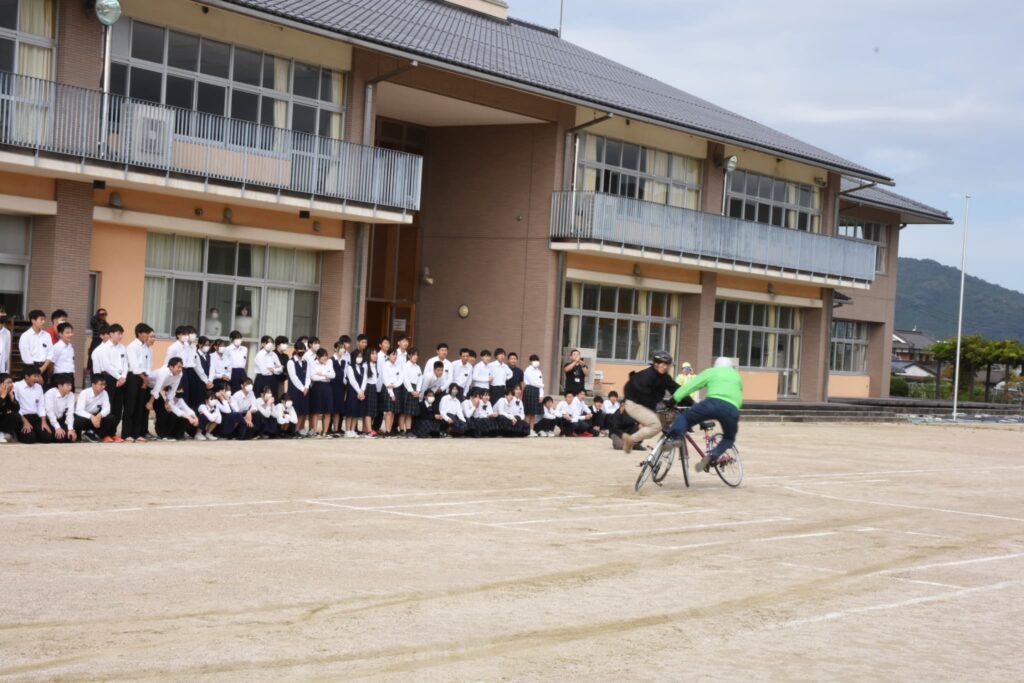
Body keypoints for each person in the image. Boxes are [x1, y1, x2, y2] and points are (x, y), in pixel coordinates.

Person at [669, 357, 743, 473]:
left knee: (684, 418)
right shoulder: (736, 376)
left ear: (716, 365)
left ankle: (677, 437)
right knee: (728, 438)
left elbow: (691, 385)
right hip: (732, 409)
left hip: (712, 403)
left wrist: (674, 399)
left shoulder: (712, 371)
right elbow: (739, 394)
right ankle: (713, 455)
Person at [620, 351, 680, 455]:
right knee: (655, 425)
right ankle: (630, 439)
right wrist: (657, 406)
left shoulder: (665, 377)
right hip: (634, 403)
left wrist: (692, 403)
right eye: (662, 364)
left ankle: (659, 450)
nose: (665, 367)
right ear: (656, 364)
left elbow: (676, 389)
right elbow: (643, 396)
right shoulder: (647, 376)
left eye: (667, 365)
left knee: (670, 417)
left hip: (647, 403)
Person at [92, 323, 128, 441]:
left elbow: (125, 364)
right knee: (108, 406)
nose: (120, 336)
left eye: (122, 334)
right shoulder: (103, 348)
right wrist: (119, 377)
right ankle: (104, 433)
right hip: (109, 378)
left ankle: (113, 432)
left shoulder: (122, 347)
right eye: (118, 334)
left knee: (118, 407)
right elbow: (107, 366)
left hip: (121, 379)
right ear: (111, 334)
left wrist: (123, 377)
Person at [124, 323, 154, 442]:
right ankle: (127, 433)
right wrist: (144, 378)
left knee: (140, 406)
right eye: (146, 333)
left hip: (144, 377)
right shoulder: (132, 346)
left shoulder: (146, 347)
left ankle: (137, 433)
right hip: (134, 377)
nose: (147, 336)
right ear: (139, 333)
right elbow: (134, 366)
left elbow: (147, 365)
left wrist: (146, 378)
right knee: (130, 406)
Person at [12, 365, 52, 444]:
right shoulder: (16, 386)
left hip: (35, 417)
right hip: (21, 417)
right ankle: (17, 433)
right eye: (35, 376)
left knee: (48, 438)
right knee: (30, 439)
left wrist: (44, 422)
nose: (37, 379)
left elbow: (41, 406)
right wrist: (25, 422)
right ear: (26, 376)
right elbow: (15, 407)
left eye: (38, 376)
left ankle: (34, 432)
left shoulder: (38, 387)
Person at [148, 358, 184, 440]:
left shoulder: (180, 374)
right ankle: (144, 433)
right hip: (146, 386)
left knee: (163, 410)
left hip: (153, 389)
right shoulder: (164, 372)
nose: (180, 369)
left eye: (181, 367)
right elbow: (157, 388)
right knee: (146, 408)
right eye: (178, 367)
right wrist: (150, 402)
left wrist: (167, 403)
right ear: (171, 367)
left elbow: (173, 389)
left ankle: (163, 434)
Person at [73, 374, 115, 443]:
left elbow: (107, 409)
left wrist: (99, 415)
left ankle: (93, 434)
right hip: (85, 417)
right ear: (93, 385)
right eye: (101, 384)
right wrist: (91, 417)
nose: (103, 387)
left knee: (111, 418)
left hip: (96, 417)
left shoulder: (105, 393)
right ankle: (79, 435)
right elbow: (79, 410)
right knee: (78, 420)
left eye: (104, 384)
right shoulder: (84, 393)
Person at [308, 348, 335, 438]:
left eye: (326, 355)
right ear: (318, 356)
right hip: (317, 387)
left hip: (327, 387)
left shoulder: (329, 363)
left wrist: (322, 373)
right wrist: (326, 376)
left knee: (328, 411)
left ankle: (325, 432)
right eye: (322, 356)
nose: (325, 357)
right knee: (316, 411)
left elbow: (333, 375)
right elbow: (313, 377)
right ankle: (315, 431)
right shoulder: (313, 363)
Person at [44, 373, 77, 443]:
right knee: (55, 438)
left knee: (70, 437)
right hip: (48, 420)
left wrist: (70, 429)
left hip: (60, 419)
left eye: (71, 385)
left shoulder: (70, 395)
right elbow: (50, 412)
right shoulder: (50, 393)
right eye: (68, 385)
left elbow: (70, 413)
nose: (70, 387)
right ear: (60, 386)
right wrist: (57, 428)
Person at [18, 310, 52, 378]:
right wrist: (36, 372)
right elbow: (26, 356)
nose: (43, 322)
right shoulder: (25, 336)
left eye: (44, 320)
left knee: (42, 388)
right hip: (30, 368)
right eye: (41, 319)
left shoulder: (47, 335)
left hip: (44, 368)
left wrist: (43, 367)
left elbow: (51, 352)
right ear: (33, 321)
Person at [286, 343, 311, 436]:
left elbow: (308, 376)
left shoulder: (305, 362)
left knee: (302, 411)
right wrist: (302, 388)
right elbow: (293, 377)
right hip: (294, 390)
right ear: (295, 350)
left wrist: (307, 387)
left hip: (305, 390)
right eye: (300, 349)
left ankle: (298, 429)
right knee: (295, 410)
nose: (302, 351)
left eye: (303, 349)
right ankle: (291, 430)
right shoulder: (291, 362)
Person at [343, 349, 368, 438]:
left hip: (360, 393)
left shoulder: (363, 368)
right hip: (352, 392)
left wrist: (362, 391)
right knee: (350, 412)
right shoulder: (350, 367)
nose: (359, 358)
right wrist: (359, 391)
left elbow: (365, 380)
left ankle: (353, 430)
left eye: (361, 356)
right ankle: (347, 430)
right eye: (358, 356)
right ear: (354, 357)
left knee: (356, 412)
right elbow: (352, 380)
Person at [380, 347, 402, 437]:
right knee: (389, 412)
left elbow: (401, 379)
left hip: (396, 389)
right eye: (393, 354)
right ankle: (387, 431)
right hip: (388, 390)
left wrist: (394, 385)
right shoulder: (385, 365)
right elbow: (386, 381)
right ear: (388, 355)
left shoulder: (398, 366)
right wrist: (391, 393)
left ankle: (390, 430)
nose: (395, 356)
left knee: (393, 411)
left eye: (396, 354)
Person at [47, 322, 76, 388]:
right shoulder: (56, 347)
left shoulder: (70, 346)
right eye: (67, 333)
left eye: (71, 332)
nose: (70, 335)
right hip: (59, 376)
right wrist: (51, 377)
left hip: (70, 376)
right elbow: (51, 364)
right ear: (60, 334)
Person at [522, 354, 544, 429]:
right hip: (529, 390)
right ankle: (525, 429)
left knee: (533, 413)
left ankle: (531, 430)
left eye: (537, 360)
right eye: (534, 360)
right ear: (530, 361)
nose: (536, 362)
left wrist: (541, 394)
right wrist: (542, 385)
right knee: (528, 413)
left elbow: (541, 382)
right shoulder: (528, 370)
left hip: (537, 391)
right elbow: (533, 382)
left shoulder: (539, 371)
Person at [0, 372, 20, 443]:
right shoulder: (3, 394)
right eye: (8, 383)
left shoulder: (10, 393)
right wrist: (2, 396)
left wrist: (12, 398)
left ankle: (4, 434)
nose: (11, 385)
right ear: (1, 384)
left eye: (11, 382)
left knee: (16, 416)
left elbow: (17, 409)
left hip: (2, 419)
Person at [0, 309, 11, 375]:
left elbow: (7, 349)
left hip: (3, 359)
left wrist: (6, 366)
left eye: (2, 323)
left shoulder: (7, 332)